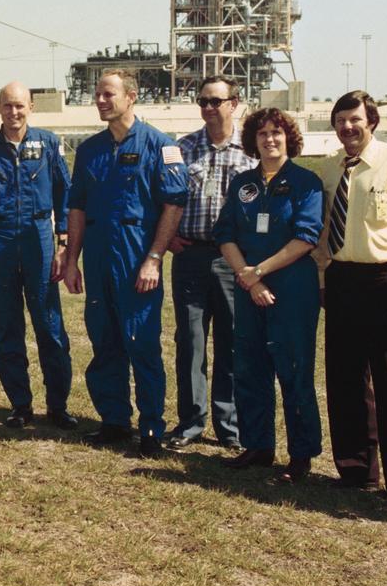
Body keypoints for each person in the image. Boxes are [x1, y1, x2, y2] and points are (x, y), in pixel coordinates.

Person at [63, 69, 187, 455]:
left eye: (108, 94)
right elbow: (78, 208)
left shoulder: (160, 145)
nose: (100, 100)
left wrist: (154, 258)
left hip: (136, 257)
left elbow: (173, 205)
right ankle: (114, 421)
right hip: (100, 256)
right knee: (104, 340)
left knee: (142, 342)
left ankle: (151, 427)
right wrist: (71, 260)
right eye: (97, 94)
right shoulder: (89, 150)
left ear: (131, 97)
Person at [313, 91, 387, 503]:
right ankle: (355, 468)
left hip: (385, 280)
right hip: (341, 278)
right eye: (341, 121)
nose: (348, 127)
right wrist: (324, 280)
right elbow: (323, 233)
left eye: (355, 119)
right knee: (343, 377)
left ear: (371, 122)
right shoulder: (329, 169)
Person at [213, 107, 325, 483]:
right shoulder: (242, 183)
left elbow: (306, 238)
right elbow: (225, 234)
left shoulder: (306, 182)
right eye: (262, 134)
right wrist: (249, 278)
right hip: (248, 288)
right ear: (253, 141)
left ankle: (301, 456)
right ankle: (257, 445)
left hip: (291, 289)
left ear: (288, 137)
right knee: (249, 366)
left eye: (276, 132)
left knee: (293, 369)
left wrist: (259, 272)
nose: (270, 139)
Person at [0, 80, 75, 430]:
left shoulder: (48, 144)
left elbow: (65, 196)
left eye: (20, 106)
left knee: (49, 323)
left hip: (38, 237)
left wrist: (62, 247)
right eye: (7, 105)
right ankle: (20, 404)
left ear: (32, 108)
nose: (14, 112)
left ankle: (57, 406)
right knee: (5, 324)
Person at [165, 76, 251, 450]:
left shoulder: (251, 152)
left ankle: (229, 425)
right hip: (191, 256)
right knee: (191, 341)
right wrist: (167, 238)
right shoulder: (182, 149)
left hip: (233, 260)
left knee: (232, 343)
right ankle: (191, 421)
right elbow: (162, 199)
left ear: (234, 103)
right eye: (203, 102)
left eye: (216, 101)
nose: (209, 109)